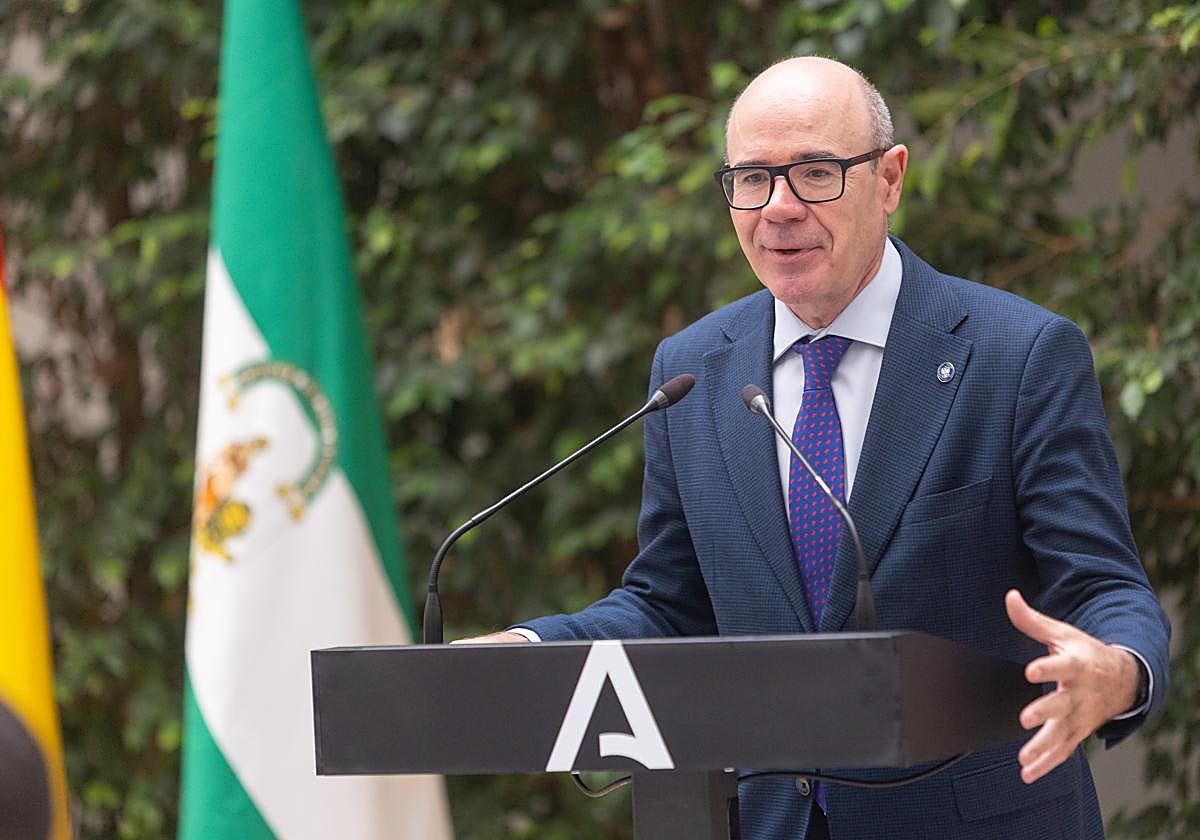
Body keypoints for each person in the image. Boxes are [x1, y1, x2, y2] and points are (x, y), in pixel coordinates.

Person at [461, 56, 1170, 840]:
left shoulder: (1017, 355)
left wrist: (1117, 671)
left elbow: (1106, 585)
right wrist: (525, 650)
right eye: (752, 179)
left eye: (815, 173)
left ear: (890, 179)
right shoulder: (693, 370)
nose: (780, 208)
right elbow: (669, 604)